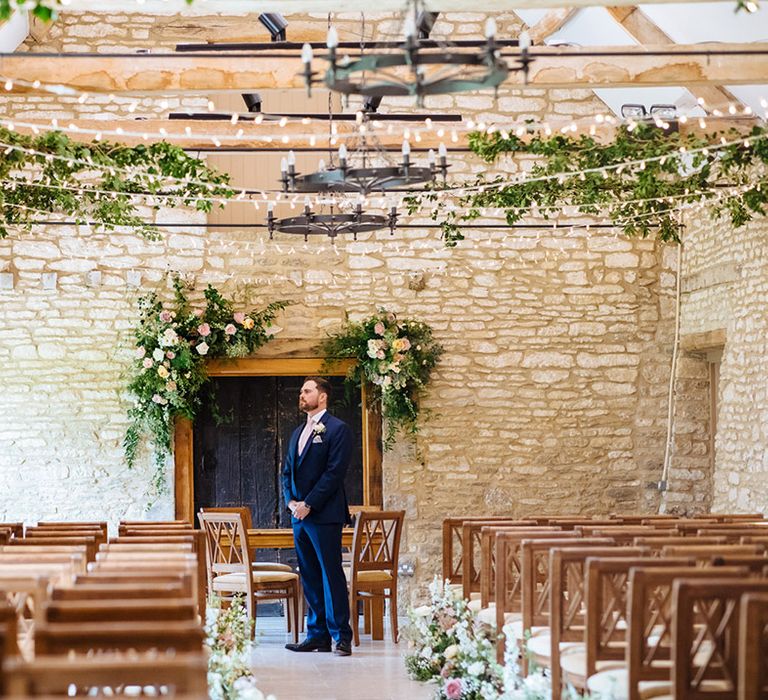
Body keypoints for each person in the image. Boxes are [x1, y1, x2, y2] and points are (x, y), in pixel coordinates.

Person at [281, 376, 354, 656]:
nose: (302, 394)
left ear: (322, 396)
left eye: (307, 390)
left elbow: (334, 473)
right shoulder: (297, 432)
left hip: (324, 514)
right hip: (298, 516)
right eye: (301, 390)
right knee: (309, 574)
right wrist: (291, 503)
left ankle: (341, 636)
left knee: (330, 573)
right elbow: (287, 471)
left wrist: (309, 503)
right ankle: (317, 635)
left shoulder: (338, 429)